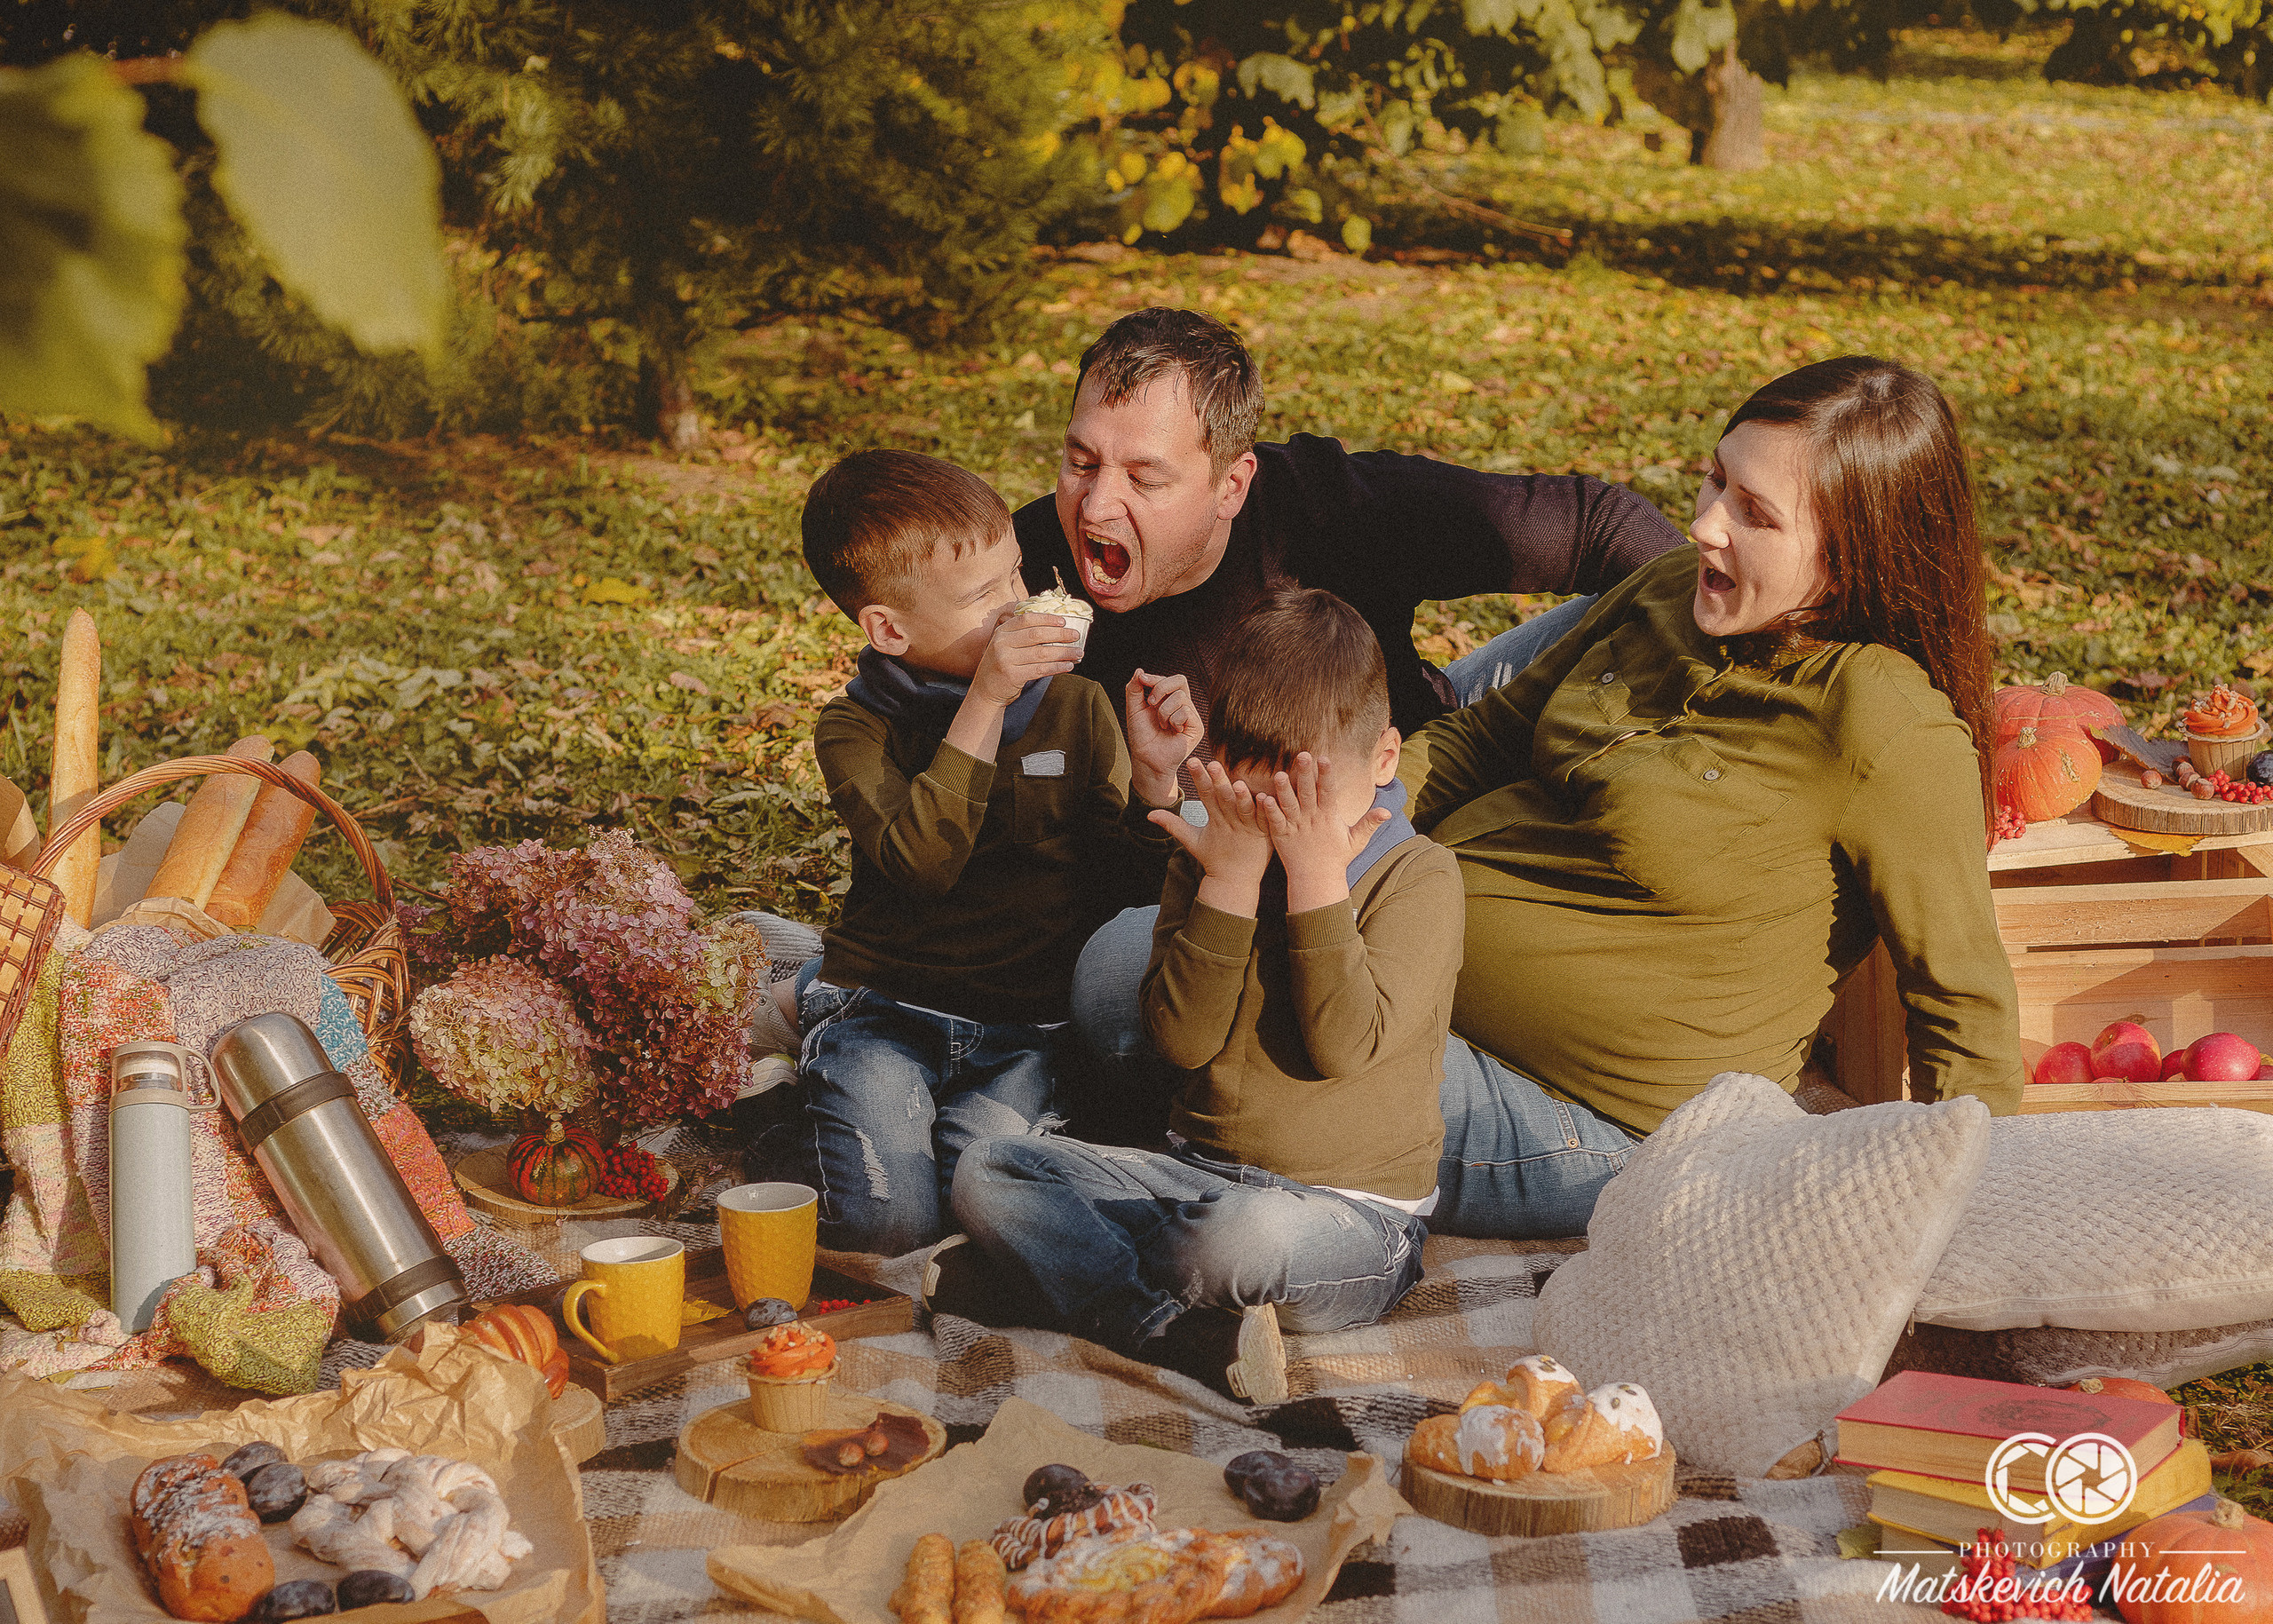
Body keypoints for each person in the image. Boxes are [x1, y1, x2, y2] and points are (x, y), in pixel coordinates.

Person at [1402, 355, 2025, 1240]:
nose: (1703, 524)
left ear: (1851, 564)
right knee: (1175, 970)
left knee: (1224, 1035)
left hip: (1594, 1126)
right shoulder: (1665, 594)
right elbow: (1485, 736)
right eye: (1713, 479)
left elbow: (1961, 1005)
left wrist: (1963, 1241)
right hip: (1391, 965)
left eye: (1754, 513)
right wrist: (1343, 834)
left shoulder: (1881, 727)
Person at [931, 588, 1462, 1403]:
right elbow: (1180, 1040)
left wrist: (1317, 879)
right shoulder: (1214, 853)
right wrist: (1231, 883)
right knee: (989, 1170)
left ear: (1385, 761)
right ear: (1218, 767)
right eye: (1259, 797)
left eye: (1308, 801)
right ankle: (1172, 1331)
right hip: (1196, 1177)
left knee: (1239, 1242)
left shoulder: (1419, 876)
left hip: (1348, 1218)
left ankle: (1055, 1274)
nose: (1281, 824)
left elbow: (1343, 1043)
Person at [794, 450, 1201, 1255]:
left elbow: (1124, 891)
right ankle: (802, 1092)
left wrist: (1160, 783)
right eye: (985, 597)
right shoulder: (856, 729)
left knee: (984, 1197)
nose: (1019, 607)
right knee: (891, 1226)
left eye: (1017, 575)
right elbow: (921, 865)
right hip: (886, 1007)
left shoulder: (1078, 710)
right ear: (889, 629)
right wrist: (985, 700)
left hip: (1023, 1026)